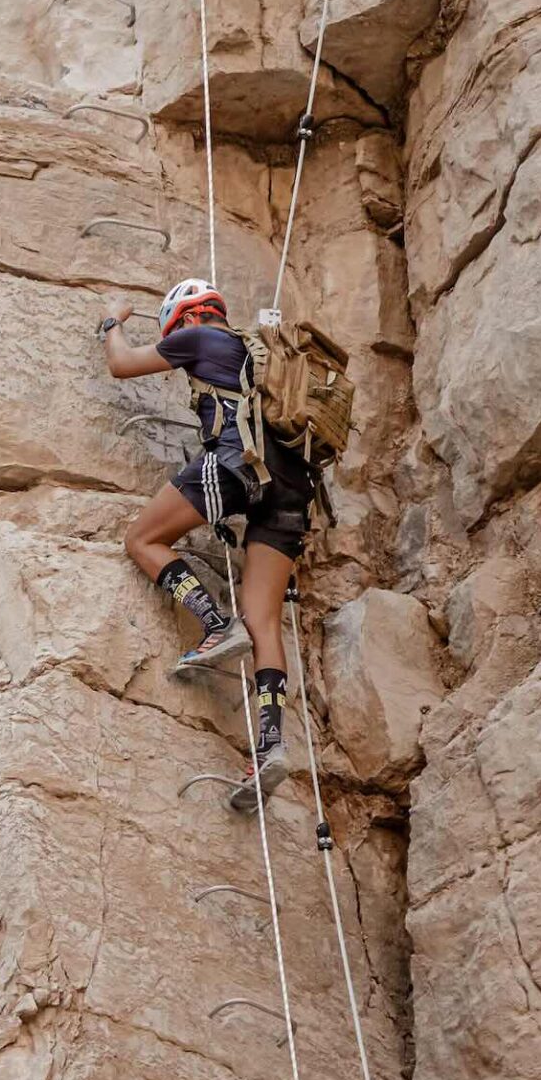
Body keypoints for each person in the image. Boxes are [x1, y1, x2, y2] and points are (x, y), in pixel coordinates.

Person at [100, 277, 318, 799]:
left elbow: (122, 364)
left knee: (142, 540)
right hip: (292, 490)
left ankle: (215, 624)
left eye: (175, 328)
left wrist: (112, 320)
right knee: (264, 620)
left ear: (192, 317)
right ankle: (270, 746)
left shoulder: (200, 337)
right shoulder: (255, 354)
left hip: (235, 469)